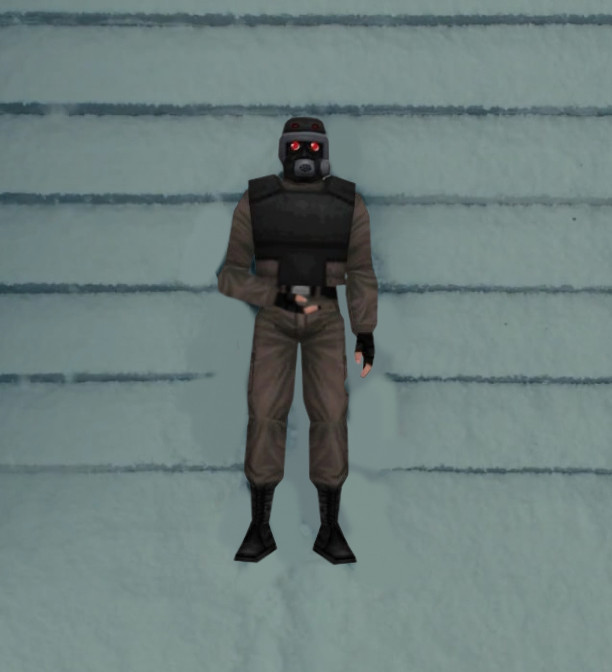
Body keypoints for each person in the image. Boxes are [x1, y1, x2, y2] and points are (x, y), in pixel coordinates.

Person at [217, 117, 378, 564]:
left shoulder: (348, 203)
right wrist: (274, 295)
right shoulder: (256, 201)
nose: (303, 155)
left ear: (324, 151)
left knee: (330, 415)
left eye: (312, 146)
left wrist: (365, 330)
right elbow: (230, 275)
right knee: (265, 412)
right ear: (283, 150)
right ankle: (259, 525)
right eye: (295, 147)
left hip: (325, 314)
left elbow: (361, 271)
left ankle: (330, 528)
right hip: (274, 315)